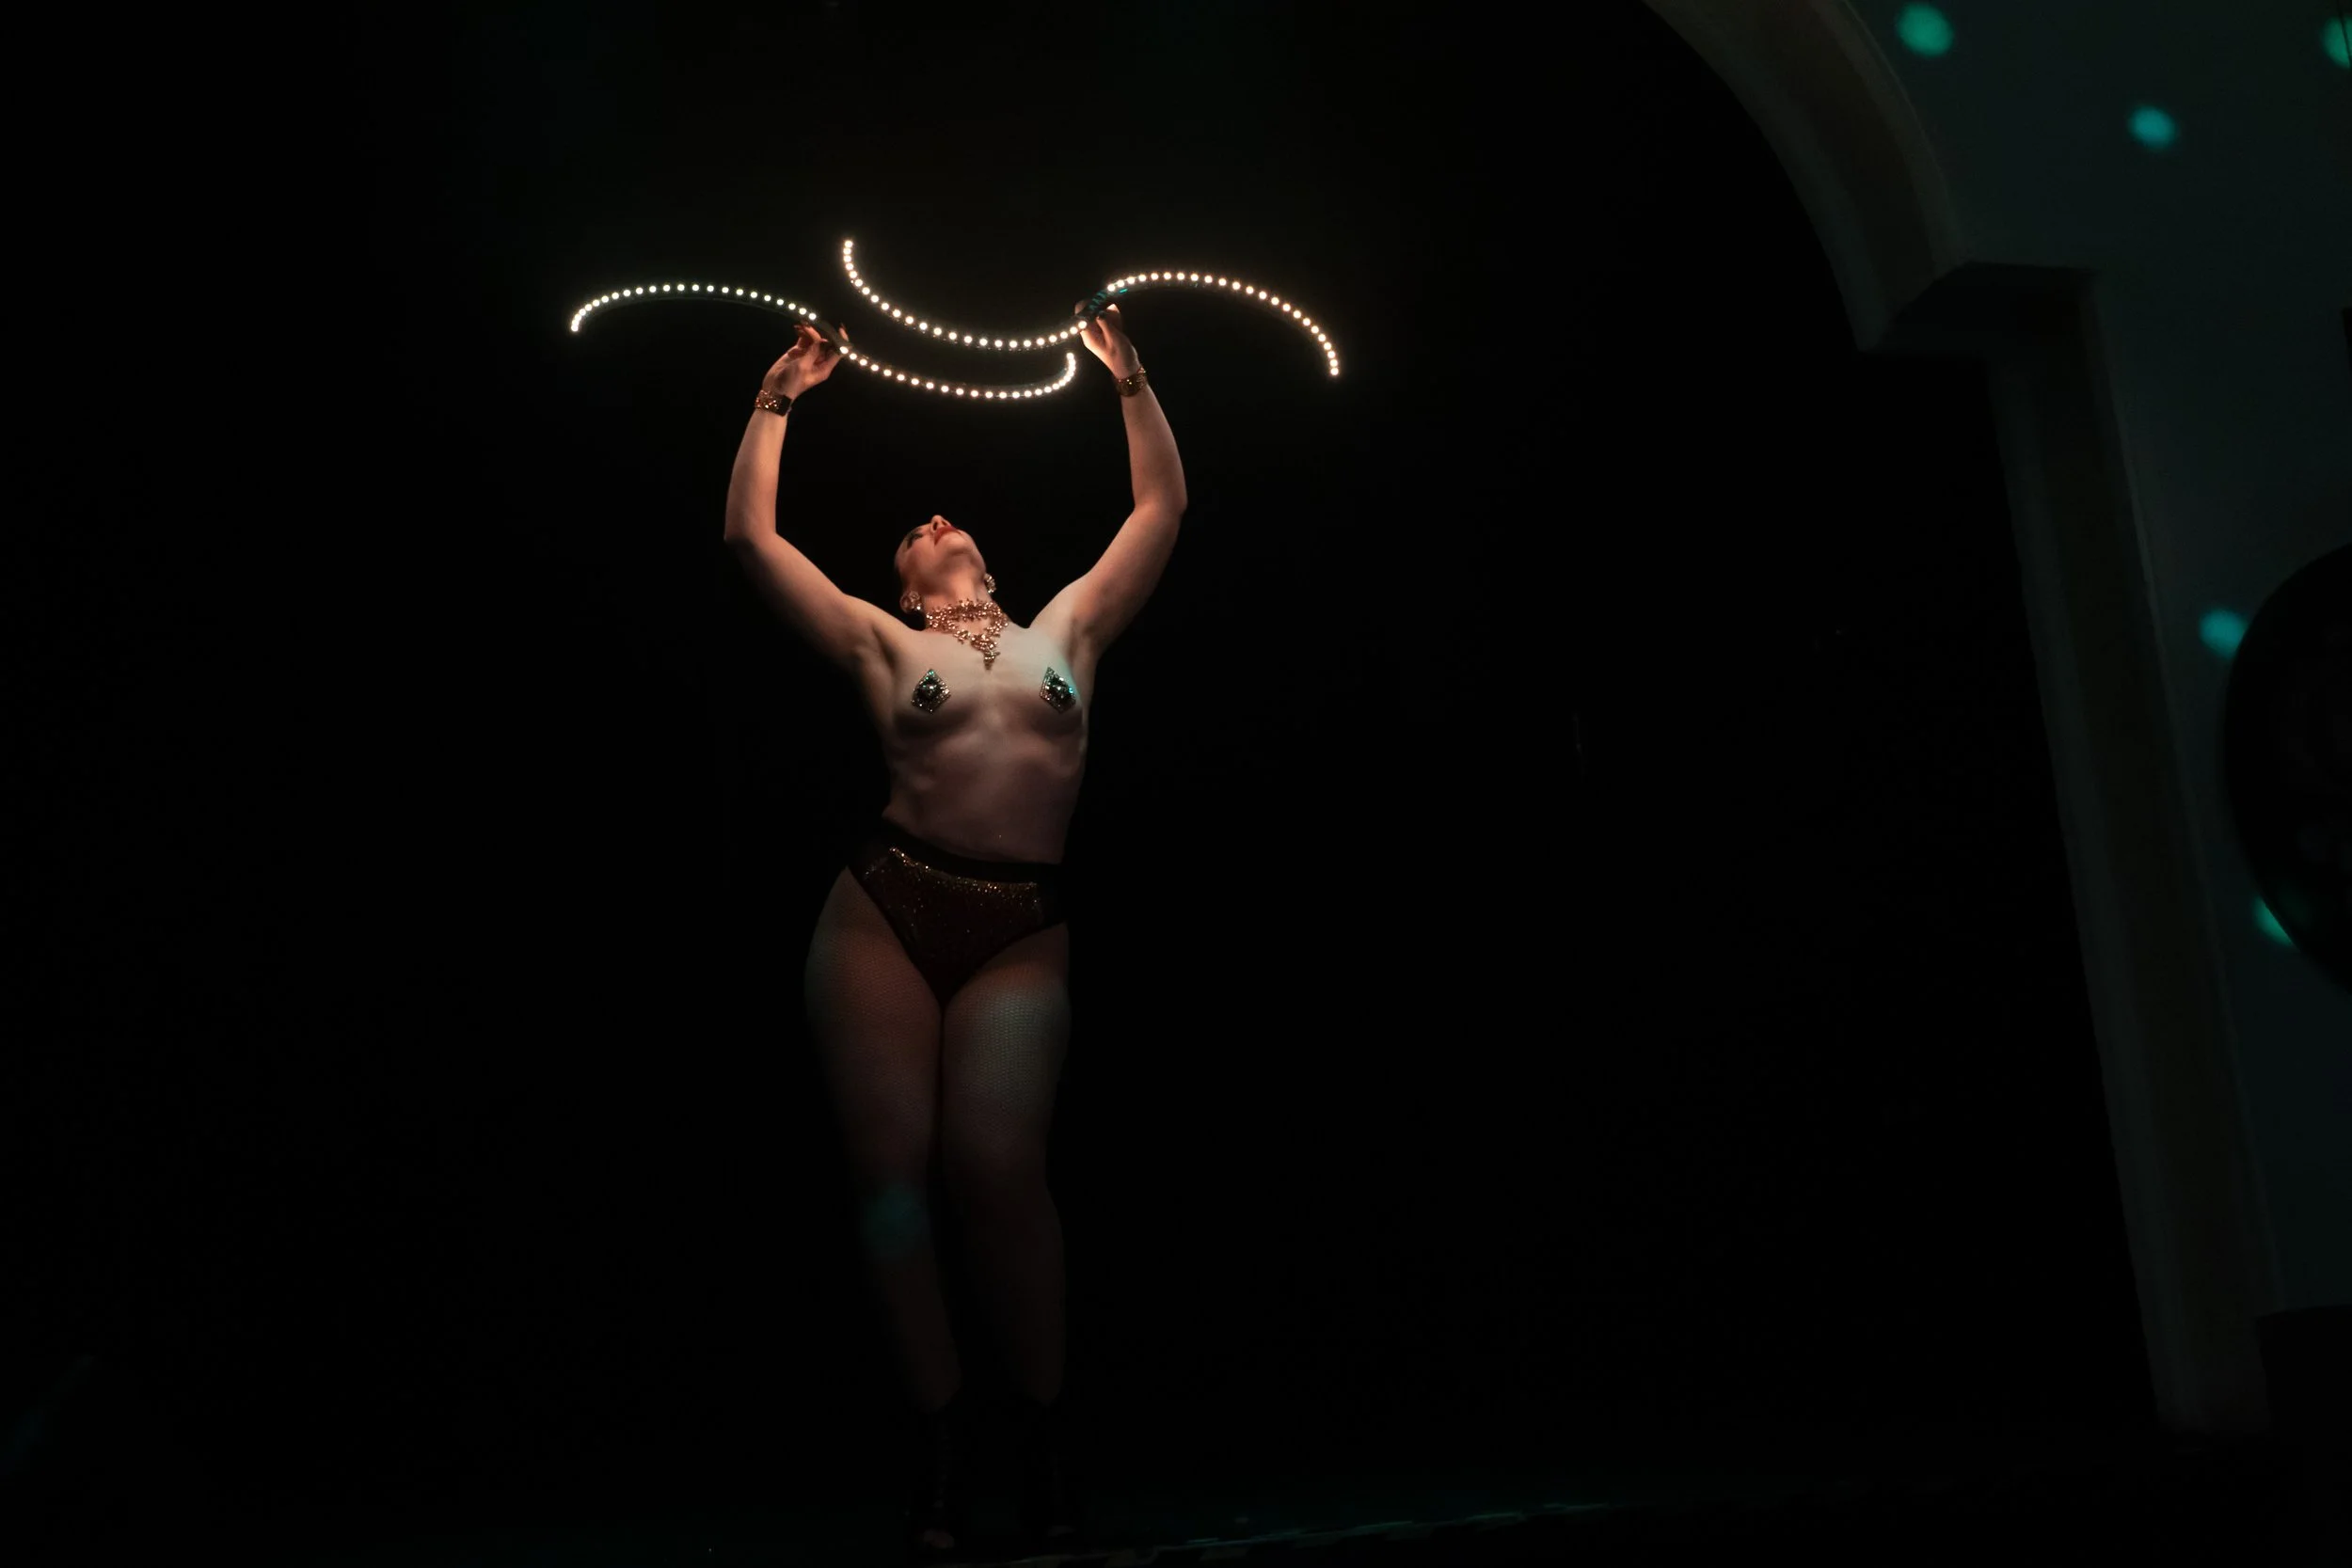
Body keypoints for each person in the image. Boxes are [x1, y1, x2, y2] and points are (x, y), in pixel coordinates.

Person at [722, 303, 1184, 1561]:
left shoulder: (1067, 632)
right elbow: (752, 541)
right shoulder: (883, 645)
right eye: (911, 529)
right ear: (903, 580)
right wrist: (778, 397)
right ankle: (937, 1442)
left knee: (994, 1167)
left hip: (1019, 922)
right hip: (886, 903)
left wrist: (1128, 378)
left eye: (949, 519)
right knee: (891, 1186)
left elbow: (1159, 515)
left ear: (981, 554)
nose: (934, 518)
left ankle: (1039, 1430)